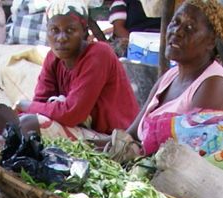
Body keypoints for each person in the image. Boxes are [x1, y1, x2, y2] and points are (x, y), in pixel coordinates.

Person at [116, 0, 223, 157]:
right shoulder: (170, 76)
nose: (177, 32)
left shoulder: (213, 85)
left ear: (211, 41)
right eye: (175, 22)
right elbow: (130, 135)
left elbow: (185, 157)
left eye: (189, 28)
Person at [17, 3, 137, 142]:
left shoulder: (99, 54)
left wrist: (24, 105)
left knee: (29, 124)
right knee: (16, 125)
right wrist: (30, 108)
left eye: (70, 30)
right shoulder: (53, 57)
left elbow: (71, 114)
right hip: (83, 131)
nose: (61, 38)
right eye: (54, 30)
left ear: (84, 31)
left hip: (114, 140)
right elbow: (40, 103)